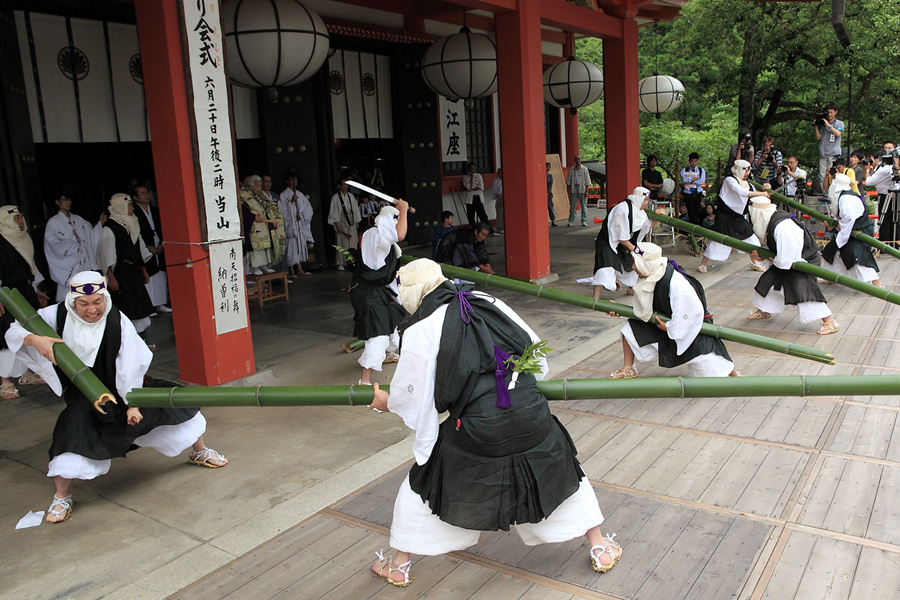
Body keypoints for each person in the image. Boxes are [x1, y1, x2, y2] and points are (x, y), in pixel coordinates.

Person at [367, 258, 620, 587]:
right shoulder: (490, 301)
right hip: (531, 411)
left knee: (424, 484)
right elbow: (536, 357)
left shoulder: (421, 326)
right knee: (563, 475)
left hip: (477, 427)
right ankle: (599, 546)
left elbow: (414, 397)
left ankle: (399, 566)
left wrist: (387, 403)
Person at [5, 271, 227, 523]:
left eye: (97, 301)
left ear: (105, 296)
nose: (92, 309)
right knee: (71, 437)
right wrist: (35, 340)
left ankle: (199, 451)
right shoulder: (53, 316)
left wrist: (132, 403)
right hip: (83, 394)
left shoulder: (117, 319)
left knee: (175, 409)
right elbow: (14, 331)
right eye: (84, 303)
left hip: (123, 386)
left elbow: (130, 364)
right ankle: (61, 496)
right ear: (73, 300)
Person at [608, 242, 738, 379]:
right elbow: (645, 308)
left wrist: (669, 327)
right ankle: (629, 369)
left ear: (646, 264)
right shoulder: (651, 275)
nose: (633, 267)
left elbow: (691, 313)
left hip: (688, 329)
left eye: (636, 263)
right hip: (664, 323)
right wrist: (618, 309)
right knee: (630, 327)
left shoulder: (675, 282)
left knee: (714, 377)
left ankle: (735, 374)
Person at [746, 197, 839, 335]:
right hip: (789, 261)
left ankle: (830, 322)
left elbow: (785, 261)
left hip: (803, 262)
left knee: (802, 290)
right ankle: (764, 310)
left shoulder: (782, 227)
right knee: (768, 281)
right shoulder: (772, 221)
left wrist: (768, 257)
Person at [350, 201, 409, 385]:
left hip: (376, 290)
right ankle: (365, 380)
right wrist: (404, 209)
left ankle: (388, 354)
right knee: (378, 334)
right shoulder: (376, 235)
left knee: (391, 322)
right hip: (368, 293)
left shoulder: (377, 237)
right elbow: (399, 234)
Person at [0, 205, 50, 399]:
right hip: (7, 294)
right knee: (5, 335)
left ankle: (25, 373)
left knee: (26, 333)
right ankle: (4, 381)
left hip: (25, 291)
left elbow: (29, 267)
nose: (21, 222)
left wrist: (36, 289)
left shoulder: (22, 238)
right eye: (17, 219)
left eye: (22, 218)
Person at [696, 160, 772, 274]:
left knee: (750, 237)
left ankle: (754, 262)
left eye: (748, 170)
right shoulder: (729, 180)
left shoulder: (747, 183)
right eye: (744, 170)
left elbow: (753, 194)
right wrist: (761, 193)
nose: (747, 173)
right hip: (724, 216)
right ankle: (702, 265)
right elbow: (741, 192)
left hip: (737, 216)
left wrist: (764, 189)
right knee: (718, 241)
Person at [96, 193, 155, 338]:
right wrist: (111, 277)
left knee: (139, 307)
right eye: (129, 205)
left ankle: (141, 340)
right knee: (126, 309)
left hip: (133, 272)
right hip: (121, 274)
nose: (132, 209)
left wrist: (143, 270)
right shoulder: (110, 228)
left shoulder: (131, 223)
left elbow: (138, 250)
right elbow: (106, 255)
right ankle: (127, 341)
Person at [43, 187, 103, 303]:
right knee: (70, 297)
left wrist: (99, 226)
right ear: (57, 202)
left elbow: (90, 235)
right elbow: (52, 242)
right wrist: (72, 246)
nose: (68, 202)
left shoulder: (78, 219)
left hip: (83, 263)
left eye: (69, 200)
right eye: (64, 200)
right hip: (70, 266)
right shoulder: (53, 223)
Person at [821, 174, 881, 287]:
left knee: (855, 253)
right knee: (832, 250)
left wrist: (840, 231)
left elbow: (849, 219)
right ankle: (831, 276)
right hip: (851, 229)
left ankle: (875, 283)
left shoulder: (846, 198)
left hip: (859, 231)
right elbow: (843, 217)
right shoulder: (845, 196)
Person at [592, 187, 652, 298]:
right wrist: (634, 248)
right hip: (609, 241)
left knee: (632, 264)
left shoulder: (640, 212)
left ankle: (631, 288)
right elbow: (619, 235)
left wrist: (658, 217)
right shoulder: (622, 209)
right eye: (645, 200)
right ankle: (595, 298)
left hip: (624, 241)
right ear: (638, 198)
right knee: (606, 266)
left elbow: (645, 227)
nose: (646, 203)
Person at [131, 184, 171, 313]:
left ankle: (160, 302)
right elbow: (135, 232)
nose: (146, 195)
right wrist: (148, 246)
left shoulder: (154, 210)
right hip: (145, 245)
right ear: (135, 197)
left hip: (158, 243)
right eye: (142, 193)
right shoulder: (134, 212)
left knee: (160, 274)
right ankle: (150, 306)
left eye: (146, 192)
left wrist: (161, 245)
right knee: (148, 274)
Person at [241, 175, 284, 275]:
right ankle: (255, 267)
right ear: (251, 186)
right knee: (257, 247)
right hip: (253, 225)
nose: (260, 188)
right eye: (258, 186)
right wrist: (252, 217)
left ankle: (264, 265)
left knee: (266, 245)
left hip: (262, 224)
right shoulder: (243, 195)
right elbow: (241, 211)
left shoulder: (257, 195)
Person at [278, 170, 314, 277]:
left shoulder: (300, 194)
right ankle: (291, 269)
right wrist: (292, 203)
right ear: (287, 181)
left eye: (295, 179)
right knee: (292, 247)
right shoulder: (284, 195)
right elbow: (282, 211)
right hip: (291, 226)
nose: (294, 181)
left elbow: (308, 209)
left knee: (300, 246)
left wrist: (301, 216)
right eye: (292, 179)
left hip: (299, 225)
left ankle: (300, 268)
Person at [327, 179, 361, 271]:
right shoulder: (335, 197)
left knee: (353, 242)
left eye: (346, 185)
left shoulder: (351, 196)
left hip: (351, 221)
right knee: (341, 242)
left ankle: (352, 261)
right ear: (339, 186)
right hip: (341, 221)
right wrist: (337, 223)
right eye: (343, 184)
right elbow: (334, 211)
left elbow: (355, 210)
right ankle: (341, 262)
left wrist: (356, 221)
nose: (345, 186)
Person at [814, 102, 844, 189]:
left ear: (836, 112)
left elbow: (838, 133)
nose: (829, 115)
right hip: (823, 153)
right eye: (827, 112)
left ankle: (832, 191)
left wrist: (828, 125)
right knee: (822, 175)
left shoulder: (839, 123)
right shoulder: (822, 124)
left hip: (833, 153)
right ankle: (824, 193)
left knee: (832, 173)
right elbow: (818, 137)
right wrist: (816, 126)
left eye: (831, 112)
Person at [462, 162, 492, 233]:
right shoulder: (466, 177)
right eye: (471, 168)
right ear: (468, 169)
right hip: (470, 199)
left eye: (473, 168)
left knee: (482, 215)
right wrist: (472, 178)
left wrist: (473, 188)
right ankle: (474, 230)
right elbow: (469, 188)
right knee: (471, 216)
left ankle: (489, 230)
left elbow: (481, 187)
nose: (472, 170)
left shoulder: (478, 176)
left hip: (478, 197)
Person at [680, 152, 706, 224]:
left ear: (697, 161)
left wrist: (691, 180)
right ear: (689, 161)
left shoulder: (701, 170)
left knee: (697, 212)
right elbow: (684, 180)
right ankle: (692, 230)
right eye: (692, 161)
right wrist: (694, 179)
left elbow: (702, 181)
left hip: (697, 192)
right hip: (688, 193)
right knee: (691, 213)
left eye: (695, 161)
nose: (693, 163)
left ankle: (697, 229)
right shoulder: (684, 170)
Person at [565, 155, 591, 227]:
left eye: (579, 159)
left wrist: (587, 191)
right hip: (574, 188)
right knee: (572, 205)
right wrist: (569, 191)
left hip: (582, 188)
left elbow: (587, 181)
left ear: (581, 160)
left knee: (583, 205)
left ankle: (584, 220)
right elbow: (569, 181)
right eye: (576, 159)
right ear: (574, 160)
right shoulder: (572, 169)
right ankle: (571, 220)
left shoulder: (584, 169)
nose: (577, 161)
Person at [491, 168, 504, 234]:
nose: (501, 174)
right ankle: (500, 227)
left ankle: (505, 227)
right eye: (500, 172)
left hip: (505, 197)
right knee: (499, 213)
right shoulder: (496, 181)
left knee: (505, 213)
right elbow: (493, 189)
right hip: (499, 197)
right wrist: (493, 197)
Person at [547, 162, 557, 226]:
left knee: (550, 207)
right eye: (547, 166)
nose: (548, 168)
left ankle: (553, 220)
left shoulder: (550, 176)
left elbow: (550, 186)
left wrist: (548, 192)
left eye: (549, 166)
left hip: (548, 193)